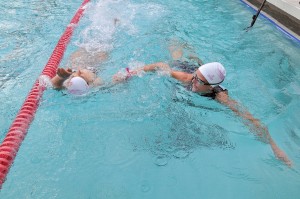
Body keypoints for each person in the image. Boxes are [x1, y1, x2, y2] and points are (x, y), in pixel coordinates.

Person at [113, 42, 292, 166]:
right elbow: (159, 66)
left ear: (210, 86)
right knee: (179, 57)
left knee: (189, 62)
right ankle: (179, 44)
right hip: (186, 68)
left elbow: (251, 119)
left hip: (199, 74)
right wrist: (128, 74)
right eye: (196, 77)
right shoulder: (189, 78)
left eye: (199, 81)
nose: (194, 82)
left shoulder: (220, 97)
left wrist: (275, 147)